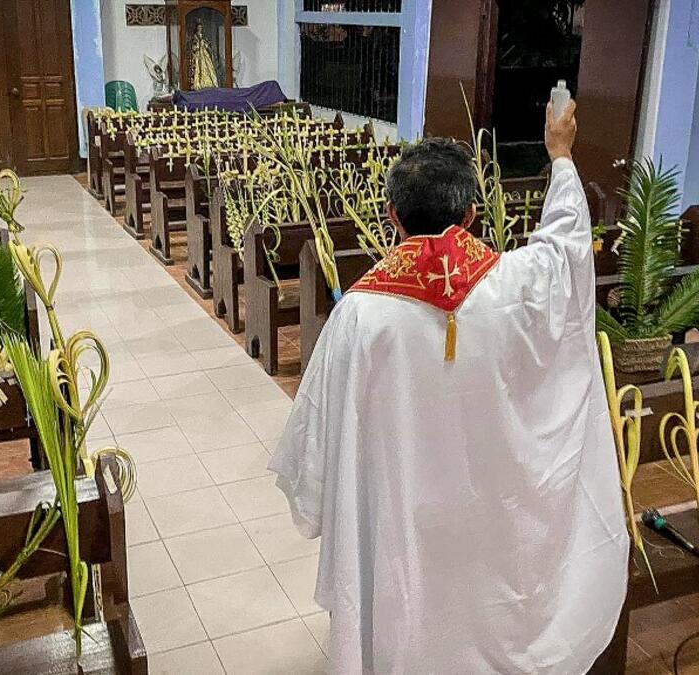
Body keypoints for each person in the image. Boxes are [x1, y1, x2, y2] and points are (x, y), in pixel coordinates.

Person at [269, 101, 630, 674]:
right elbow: (566, 248)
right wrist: (560, 155)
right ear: (469, 214)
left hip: (403, 518)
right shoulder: (522, 287)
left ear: (390, 214)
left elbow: (320, 431)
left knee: (407, 612)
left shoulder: (361, 314)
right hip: (497, 517)